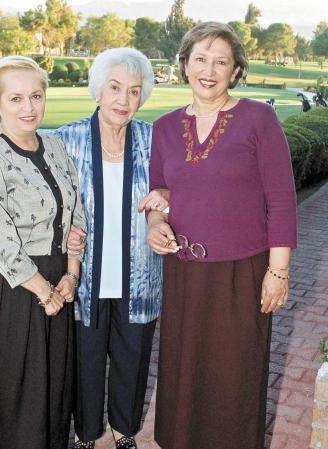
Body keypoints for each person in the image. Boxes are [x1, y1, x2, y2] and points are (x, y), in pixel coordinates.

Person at [147, 22, 297, 449]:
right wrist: (156, 227)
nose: (208, 70)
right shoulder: (164, 127)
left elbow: (282, 201)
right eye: (200, 59)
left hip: (241, 272)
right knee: (184, 369)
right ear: (184, 65)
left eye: (220, 62)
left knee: (236, 373)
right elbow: (159, 195)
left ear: (235, 71)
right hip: (184, 272)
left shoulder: (258, 119)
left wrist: (278, 272)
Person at [0, 56, 86, 449]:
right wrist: (44, 291)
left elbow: (76, 217)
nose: (28, 108)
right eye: (15, 99)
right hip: (5, 285)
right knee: (9, 393)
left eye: (36, 96)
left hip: (58, 284)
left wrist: (71, 275)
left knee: (50, 388)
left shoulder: (57, 147)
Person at [55, 48, 167, 449]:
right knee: (84, 362)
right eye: (115, 88)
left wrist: (164, 209)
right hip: (85, 277)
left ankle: (124, 431)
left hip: (139, 275)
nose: (123, 100)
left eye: (134, 91)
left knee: (132, 359)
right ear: (98, 90)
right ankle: (86, 435)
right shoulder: (64, 141)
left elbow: (177, 191)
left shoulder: (156, 141)